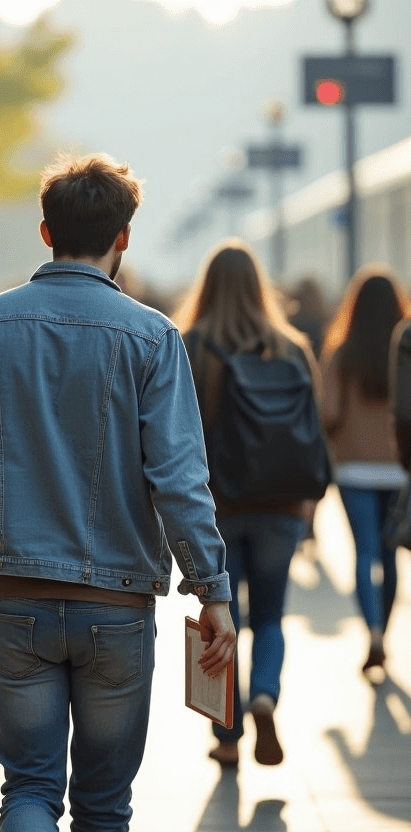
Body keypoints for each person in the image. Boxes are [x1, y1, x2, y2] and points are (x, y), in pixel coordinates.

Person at [0, 153, 235, 832]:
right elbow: (180, 480)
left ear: (45, 232)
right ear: (123, 236)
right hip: (118, 604)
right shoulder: (154, 337)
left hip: (18, 593)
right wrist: (211, 589)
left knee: (29, 789)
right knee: (105, 805)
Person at [175, 239, 319, 768]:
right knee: (273, 614)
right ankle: (265, 692)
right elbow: (311, 431)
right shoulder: (291, 347)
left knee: (219, 617)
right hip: (280, 506)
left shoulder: (189, 346)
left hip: (213, 511)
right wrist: (309, 509)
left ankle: (227, 734)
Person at [320, 266, 409, 679]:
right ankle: (385, 635)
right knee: (391, 556)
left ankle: (371, 631)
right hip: (399, 470)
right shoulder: (405, 349)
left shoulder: (343, 352)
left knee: (364, 553)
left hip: (354, 470)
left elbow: (330, 413)